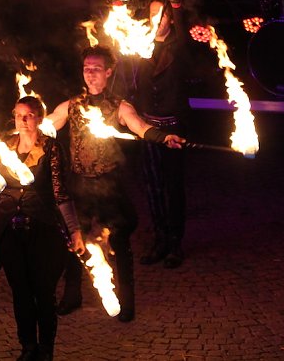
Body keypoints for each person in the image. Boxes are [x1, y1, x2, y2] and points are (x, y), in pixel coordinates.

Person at [45, 45, 185, 323]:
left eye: (97, 69)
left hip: (109, 187)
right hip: (80, 185)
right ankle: (72, 296)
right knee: (74, 241)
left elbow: (139, 127)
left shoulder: (120, 106)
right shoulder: (71, 106)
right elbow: (45, 125)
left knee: (120, 242)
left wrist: (163, 137)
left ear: (109, 72)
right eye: (87, 69)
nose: (91, 74)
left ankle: (126, 301)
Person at [0, 95, 85, 361]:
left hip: (43, 230)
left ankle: (46, 349)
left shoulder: (51, 149)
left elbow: (60, 193)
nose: (23, 121)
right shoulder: (4, 147)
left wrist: (74, 230)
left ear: (39, 117)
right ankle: (28, 347)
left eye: (29, 115)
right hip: (10, 233)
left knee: (44, 293)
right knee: (21, 293)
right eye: (18, 115)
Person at [132, 0, 191, 269]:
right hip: (148, 129)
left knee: (173, 187)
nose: (156, 20)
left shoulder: (179, 47)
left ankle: (175, 242)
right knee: (153, 187)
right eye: (153, 13)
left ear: (169, 19)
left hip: (173, 128)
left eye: (162, 15)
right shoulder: (137, 44)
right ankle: (160, 238)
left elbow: (184, 29)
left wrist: (177, 6)